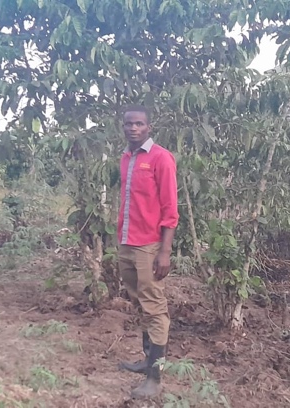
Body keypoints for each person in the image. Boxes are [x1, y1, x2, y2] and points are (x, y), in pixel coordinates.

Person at [116, 105, 179, 399]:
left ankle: (155, 377)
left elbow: (170, 209)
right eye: (129, 123)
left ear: (148, 128)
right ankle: (146, 360)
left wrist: (164, 251)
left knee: (155, 308)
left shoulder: (161, 158)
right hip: (127, 242)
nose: (133, 128)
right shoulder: (126, 158)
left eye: (139, 124)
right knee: (140, 302)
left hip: (149, 246)